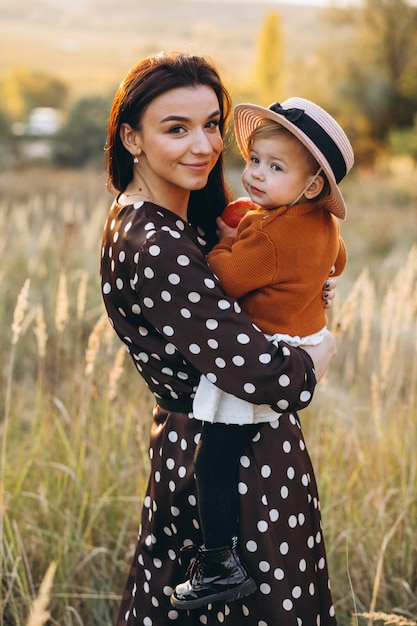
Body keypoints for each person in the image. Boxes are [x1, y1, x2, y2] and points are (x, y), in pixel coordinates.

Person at [100, 51, 339, 626]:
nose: (204, 146)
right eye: (176, 129)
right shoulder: (156, 243)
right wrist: (316, 359)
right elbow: (261, 371)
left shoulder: (162, 220)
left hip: (220, 448)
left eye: (211, 125)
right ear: (131, 138)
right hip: (231, 469)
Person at [174, 98, 353, 610]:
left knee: (215, 458)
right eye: (254, 160)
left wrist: (225, 243)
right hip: (305, 338)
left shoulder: (269, 236)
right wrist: (317, 279)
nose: (255, 175)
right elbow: (336, 260)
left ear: (311, 186)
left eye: (275, 168)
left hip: (271, 353)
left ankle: (219, 563)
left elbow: (224, 280)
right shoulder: (320, 223)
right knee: (243, 453)